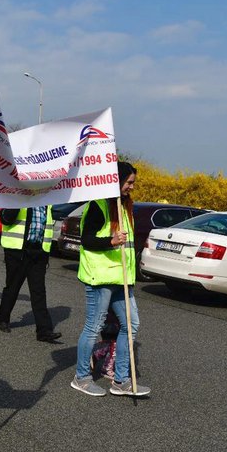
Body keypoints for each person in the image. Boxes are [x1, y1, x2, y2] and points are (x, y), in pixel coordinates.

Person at [71, 162, 150, 397]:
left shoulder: (125, 206)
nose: (132, 187)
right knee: (93, 327)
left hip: (121, 278)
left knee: (131, 325)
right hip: (100, 277)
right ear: (117, 180)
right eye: (129, 182)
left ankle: (121, 380)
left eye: (133, 183)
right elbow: (86, 240)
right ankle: (81, 377)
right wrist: (110, 241)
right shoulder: (98, 205)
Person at [0, 204, 62, 343]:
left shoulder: (46, 202)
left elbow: (46, 228)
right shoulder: (15, 197)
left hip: (39, 252)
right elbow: (5, 219)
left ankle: (44, 331)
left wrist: (46, 252)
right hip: (17, 251)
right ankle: (2, 318)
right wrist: (18, 203)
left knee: (38, 291)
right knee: (13, 287)